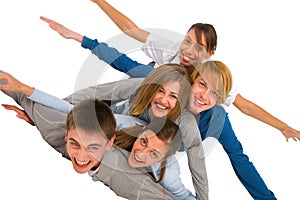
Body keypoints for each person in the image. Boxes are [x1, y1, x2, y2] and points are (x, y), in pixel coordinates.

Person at [38, 7, 300, 198]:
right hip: (146, 111)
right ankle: (66, 114)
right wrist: (85, 34)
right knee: (135, 87)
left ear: (208, 55)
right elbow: (129, 44)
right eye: (187, 41)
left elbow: (244, 107)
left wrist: (282, 126)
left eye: (199, 48)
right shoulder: (170, 60)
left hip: (173, 130)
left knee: (224, 154)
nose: (188, 51)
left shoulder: (211, 89)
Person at [0, 63, 205, 200]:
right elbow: (81, 104)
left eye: (173, 96)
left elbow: (192, 163)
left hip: (145, 159)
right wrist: (28, 96)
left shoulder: (168, 170)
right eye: (160, 91)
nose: (163, 99)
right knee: (76, 125)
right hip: (110, 120)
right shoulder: (129, 121)